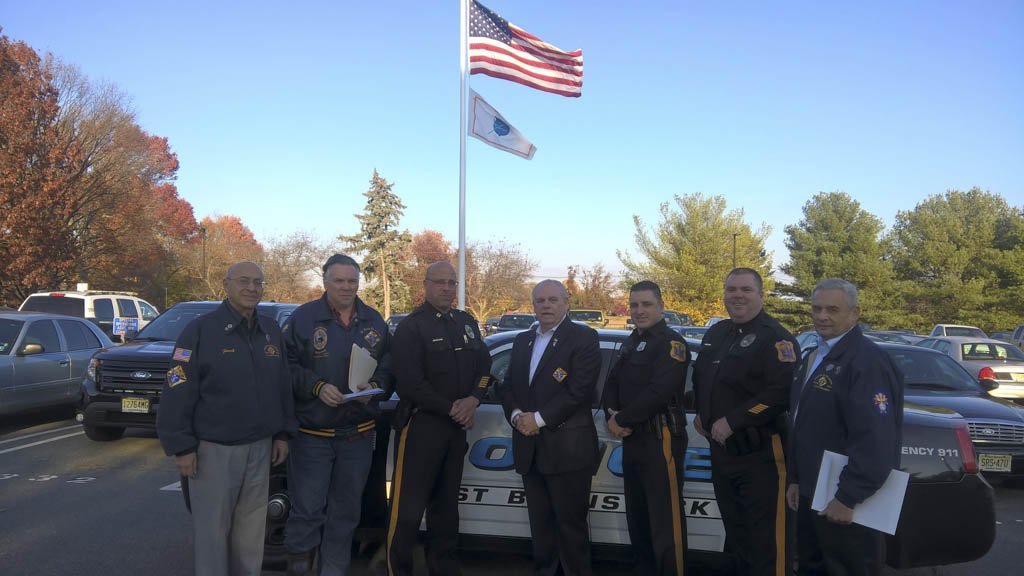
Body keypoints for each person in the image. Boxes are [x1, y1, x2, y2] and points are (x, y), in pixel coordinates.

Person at [157, 261, 295, 576]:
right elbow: (177, 388)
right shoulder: (200, 330)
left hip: (260, 448)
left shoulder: (271, 331)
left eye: (258, 282)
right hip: (212, 452)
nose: (251, 288)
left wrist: (283, 434)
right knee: (212, 535)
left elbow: (282, 386)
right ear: (226, 284)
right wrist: (181, 446)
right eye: (244, 281)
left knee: (250, 538)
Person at [282, 254, 394, 576]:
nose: (346, 287)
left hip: (357, 436)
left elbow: (389, 368)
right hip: (312, 437)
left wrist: (375, 385)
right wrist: (316, 386)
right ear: (325, 281)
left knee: (345, 515)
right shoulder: (302, 320)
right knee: (306, 514)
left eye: (352, 281)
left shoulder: (374, 321)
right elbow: (284, 367)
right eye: (339, 280)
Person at [786, 279, 903, 576]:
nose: (822, 315)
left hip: (845, 503)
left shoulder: (867, 362)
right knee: (813, 568)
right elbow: (805, 425)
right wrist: (797, 479)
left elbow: (875, 440)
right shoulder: (816, 355)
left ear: (854, 313)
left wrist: (848, 497)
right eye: (817, 308)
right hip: (815, 493)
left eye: (832, 309)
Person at [386, 261, 491, 576]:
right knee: (407, 510)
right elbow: (409, 383)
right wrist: (452, 409)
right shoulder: (412, 327)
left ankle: (443, 568)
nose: (447, 288)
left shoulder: (466, 322)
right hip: (422, 427)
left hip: (455, 430)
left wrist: (474, 400)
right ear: (426, 285)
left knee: (446, 509)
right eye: (440, 282)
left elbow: (485, 368)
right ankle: (398, 569)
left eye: (451, 283)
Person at [691, 268, 798, 576]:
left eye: (746, 290)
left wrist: (735, 420)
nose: (737, 295)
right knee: (738, 540)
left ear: (761, 296)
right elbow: (703, 378)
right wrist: (702, 411)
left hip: (762, 457)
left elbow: (781, 392)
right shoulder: (717, 333)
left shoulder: (776, 338)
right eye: (731, 289)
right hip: (724, 455)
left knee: (770, 546)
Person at [501, 279, 601, 576]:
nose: (546, 305)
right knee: (541, 528)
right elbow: (508, 388)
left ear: (566, 303)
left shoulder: (584, 338)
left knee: (571, 529)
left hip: (567, 450)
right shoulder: (522, 341)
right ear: (533, 306)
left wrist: (538, 419)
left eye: (553, 300)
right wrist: (518, 415)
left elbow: (579, 390)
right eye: (540, 300)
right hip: (530, 449)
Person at [603, 281, 689, 576]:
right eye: (634, 305)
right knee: (638, 518)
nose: (639, 311)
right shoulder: (631, 341)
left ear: (661, 306)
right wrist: (610, 413)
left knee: (665, 521)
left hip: (660, 437)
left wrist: (621, 420)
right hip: (633, 440)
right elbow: (611, 383)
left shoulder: (671, 343)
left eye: (646, 304)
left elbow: (659, 392)